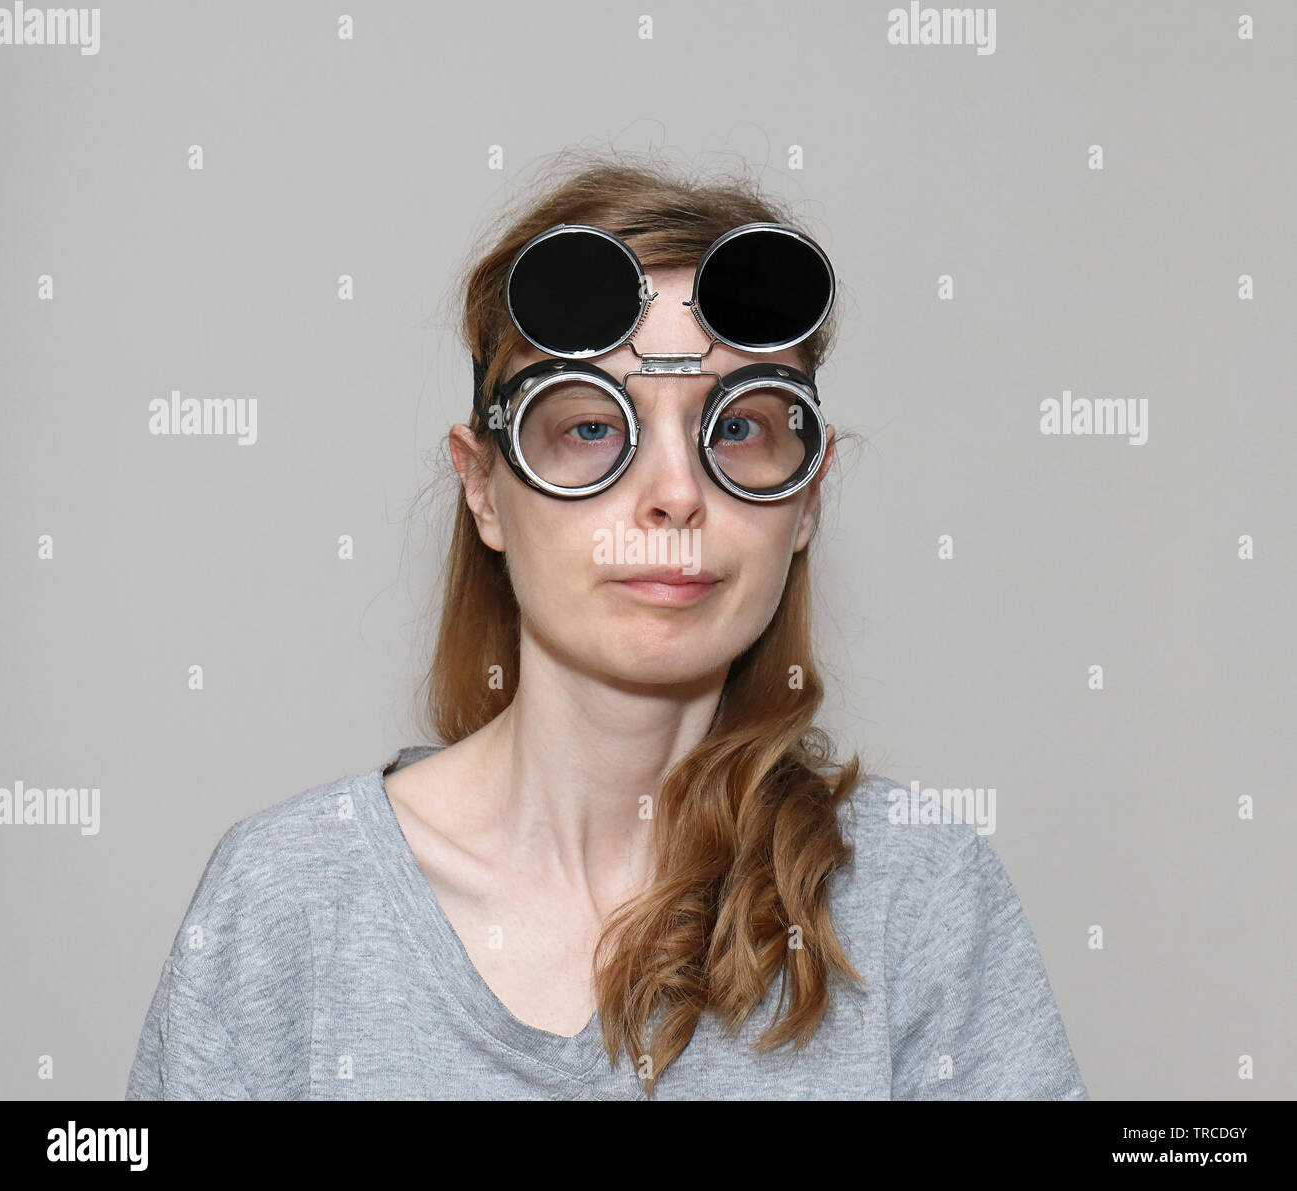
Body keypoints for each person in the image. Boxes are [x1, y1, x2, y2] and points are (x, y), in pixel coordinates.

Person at [125, 152, 1088, 1100]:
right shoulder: (287, 901)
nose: (675, 495)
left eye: (741, 428)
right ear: (484, 489)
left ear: (806, 500)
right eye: (591, 427)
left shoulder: (918, 901)